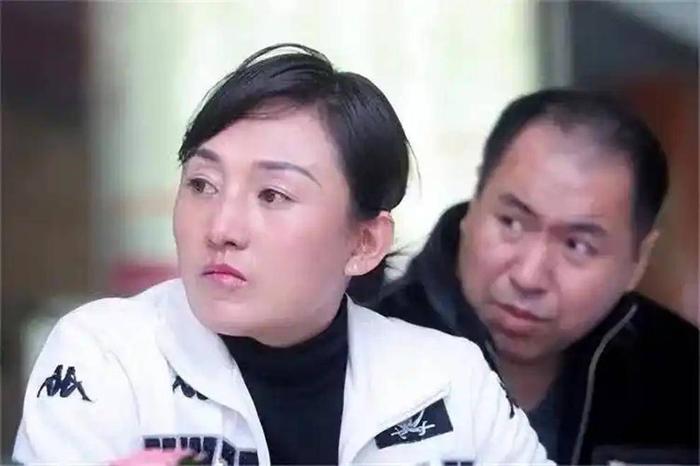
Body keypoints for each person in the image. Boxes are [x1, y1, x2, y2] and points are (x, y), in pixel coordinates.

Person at [13, 44, 550, 466]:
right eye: (202, 184)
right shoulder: (107, 358)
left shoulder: (450, 381)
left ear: (364, 243)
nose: (222, 228)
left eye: (272, 195)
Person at [370, 89, 699, 465]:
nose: (528, 277)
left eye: (577, 245)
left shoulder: (683, 376)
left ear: (638, 261)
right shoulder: (362, 349)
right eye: (511, 222)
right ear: (475, 204)